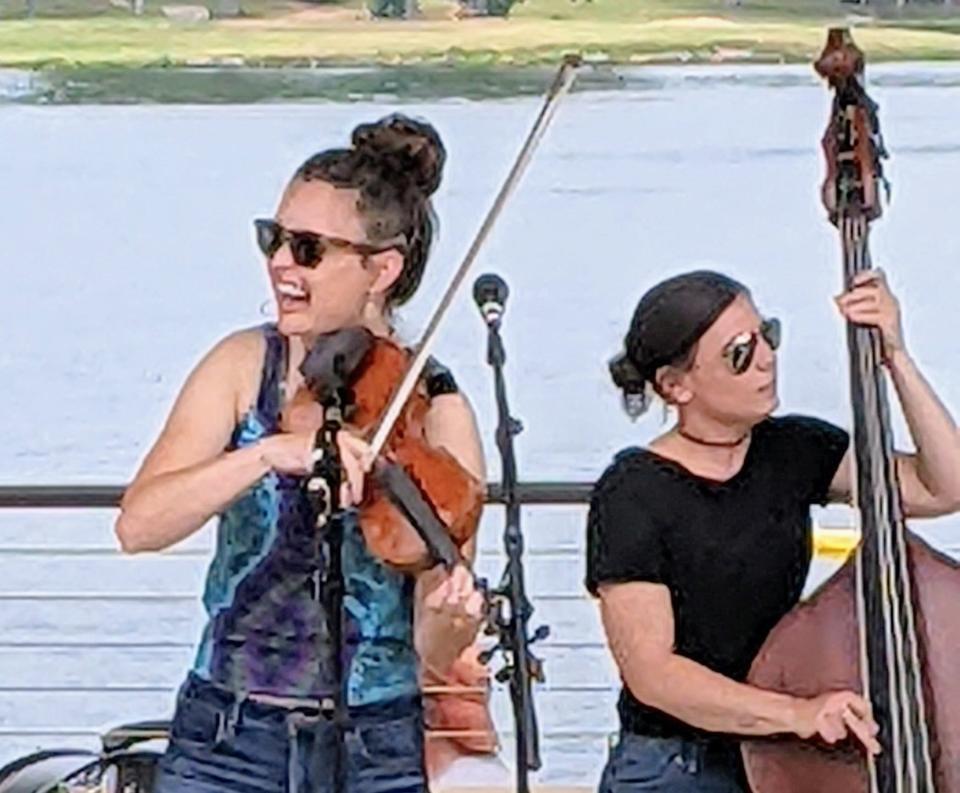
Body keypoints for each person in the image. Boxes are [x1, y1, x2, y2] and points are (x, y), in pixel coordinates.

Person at [115, 113, 487, 793]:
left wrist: (452, 621)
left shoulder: (436, 407)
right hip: (227, 732)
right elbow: (139, 524)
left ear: (383, 268)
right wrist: (265, 455)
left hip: (375, 741)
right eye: (275, 239)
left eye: (309, 248)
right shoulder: (241, 365)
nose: (281, 262)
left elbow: (433, 645)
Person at [586, 269, 960, 792]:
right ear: (676, 385)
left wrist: (894, 354)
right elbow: (653, 675)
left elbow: (944, 486)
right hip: (677, 765)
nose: (766, 359)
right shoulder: (632, 492)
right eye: (739, 352)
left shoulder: (791, 450)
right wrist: (797, 713)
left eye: (768, 336)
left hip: (784, 756)